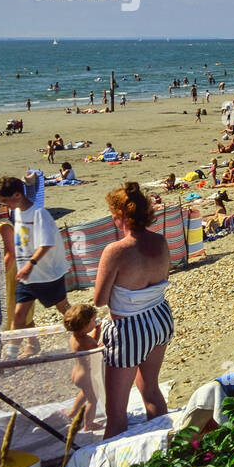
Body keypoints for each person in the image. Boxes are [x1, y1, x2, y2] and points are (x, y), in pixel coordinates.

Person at [93, 182, 173, 439]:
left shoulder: (115, 251)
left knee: (116, 412)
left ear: (122, 216)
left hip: (128, 329)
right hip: (159, 319)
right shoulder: (160, 241)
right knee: (150, 389)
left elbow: (100, 299)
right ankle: (167, 445)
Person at [0, 176, 72, 350]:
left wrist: (30, 264)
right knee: (19, 315)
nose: (6, 206)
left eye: (6, 201)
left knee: (64, 308)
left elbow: (46, 243)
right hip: (28, 276)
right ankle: (11, 355)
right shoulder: (17, 212)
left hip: (47, 274)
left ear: (17, 195)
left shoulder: (39, 213)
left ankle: (83, 332)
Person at [63, 303, 103, 432]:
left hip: (77, 373)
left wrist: (97, 330)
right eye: (93, 321)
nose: (95, 322)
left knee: (85, 393)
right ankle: (88, 424)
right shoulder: (86, 341)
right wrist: (104, 344)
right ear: (85, 325)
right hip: (86, 376)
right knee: (93, 399)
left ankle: (73, 412)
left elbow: (91, 343)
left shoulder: (75, 337)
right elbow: (96, 349)